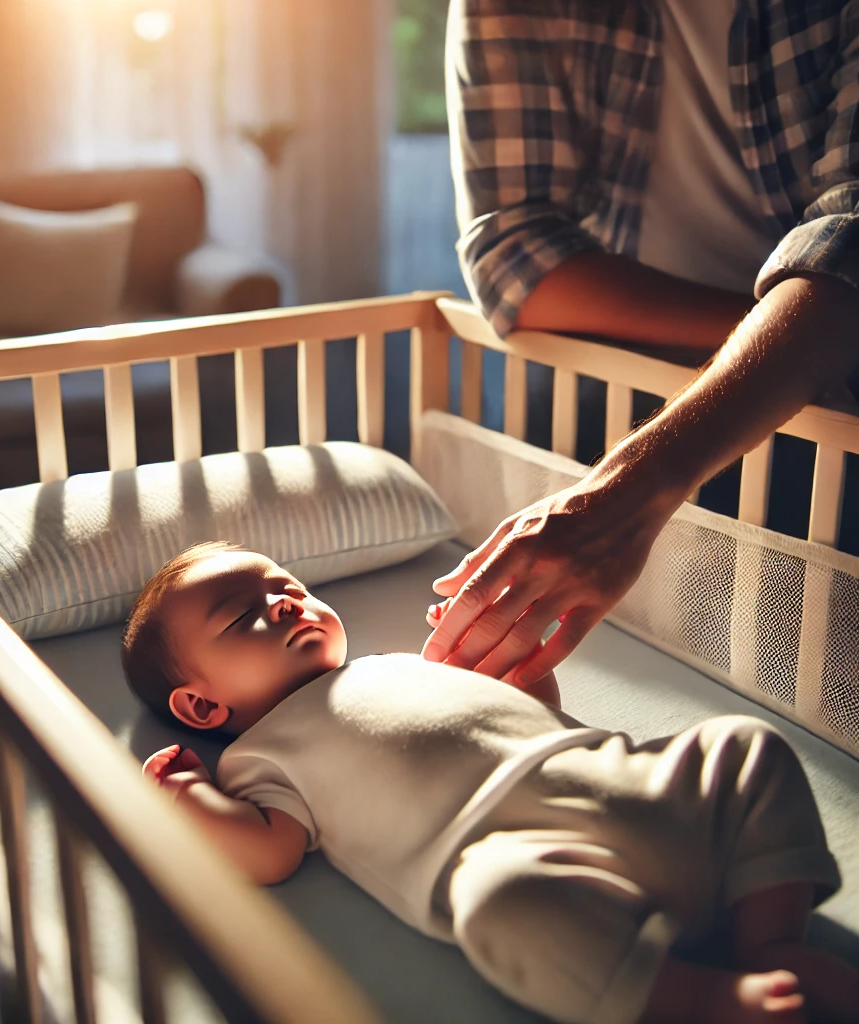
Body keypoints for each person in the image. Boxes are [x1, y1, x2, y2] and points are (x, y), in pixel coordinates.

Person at [123, 542, 857, 1024]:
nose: (285, 602)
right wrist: (189, 796)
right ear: (200, 705)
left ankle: (771, 938)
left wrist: (523, 666)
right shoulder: (261, 756)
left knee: (744, 744)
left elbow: (531, 713)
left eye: (286, 586)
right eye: (245, 615)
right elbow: (269, 853)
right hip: (525, 854)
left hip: (616, 777)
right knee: (498, 904)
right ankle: (696, 998)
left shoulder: (397, 664)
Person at [423, 0, 859, 687]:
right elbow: (516, 262)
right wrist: (781, 332)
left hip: (836, 406)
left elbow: (851, 243)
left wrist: (626, 492)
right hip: (625, 374)